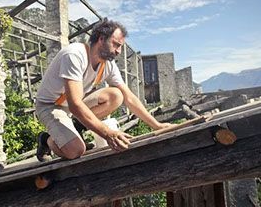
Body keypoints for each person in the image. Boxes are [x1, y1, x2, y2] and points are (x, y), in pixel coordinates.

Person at [35, 19, 172, 161]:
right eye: (116, 45)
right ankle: (47, 140)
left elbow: (128, 97)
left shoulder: (107, 65)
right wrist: (108, 133)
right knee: (76, 150)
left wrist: (157, 125)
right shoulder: (74, 55)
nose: (118, 51)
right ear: (101, 39)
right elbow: (75, 104)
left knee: (116, 95)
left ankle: (75, 128)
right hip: (51, 106)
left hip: (73, 105)